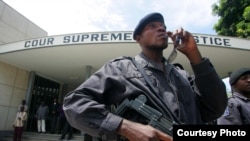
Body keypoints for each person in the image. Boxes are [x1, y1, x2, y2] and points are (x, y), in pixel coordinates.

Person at [63, 12, 227, 141]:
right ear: (138, 38)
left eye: (163, 26)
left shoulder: (182, 75)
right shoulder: (120, 68)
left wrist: (194, 54)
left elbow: (215, 108)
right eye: (152, 26)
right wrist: (125, 127)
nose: (161, 28)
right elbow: (74, 103)